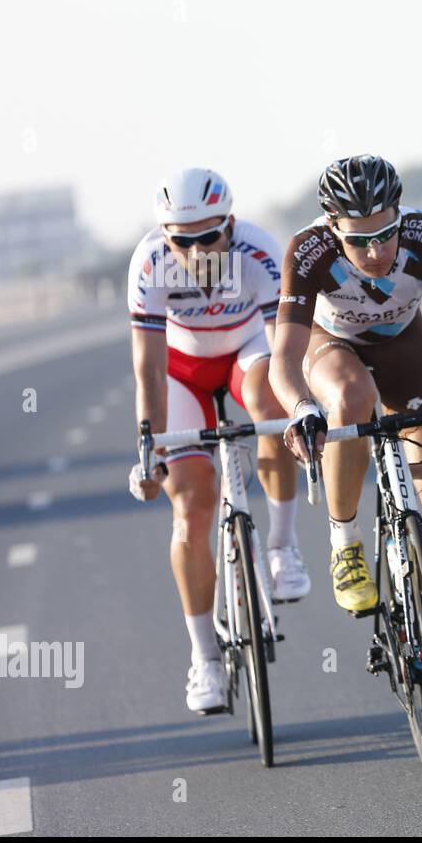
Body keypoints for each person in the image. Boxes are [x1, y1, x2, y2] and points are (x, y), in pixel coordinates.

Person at [271, 154, 422, 726]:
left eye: (384, 233)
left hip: (407, 349)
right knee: (349, 403)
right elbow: (283, 357)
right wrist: (301, 408)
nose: (375, 252)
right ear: (332, 227)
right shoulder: (307, 252)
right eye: (358, 240)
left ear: (401, 213)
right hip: (334, 346)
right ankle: (345, 541)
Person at [128, 167, 310, 715]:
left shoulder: (259, 252)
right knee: (193, 500)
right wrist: (149, 451)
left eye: (208, 236)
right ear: (165, 238)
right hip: (181, 370)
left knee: (272, 408)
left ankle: (281, 545)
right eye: (180, 240)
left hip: (246, 352)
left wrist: (297, 410)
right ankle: (204, 657)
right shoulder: (149, 264)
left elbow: (283, 356)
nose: (195, 249)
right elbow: (149, 371)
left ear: (230, 225)